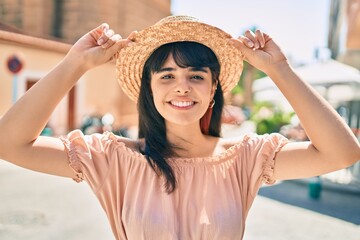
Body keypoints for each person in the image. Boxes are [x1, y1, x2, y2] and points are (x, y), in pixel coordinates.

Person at [0, 15, 359, 240]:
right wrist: (74, 64)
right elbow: (10, 143)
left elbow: (341, 152)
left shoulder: (245, 158)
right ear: (150, 89)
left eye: (196, 76)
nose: (182, 87)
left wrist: (280, 69)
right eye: (167, 75)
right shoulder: (114, 159)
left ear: (214, 87)